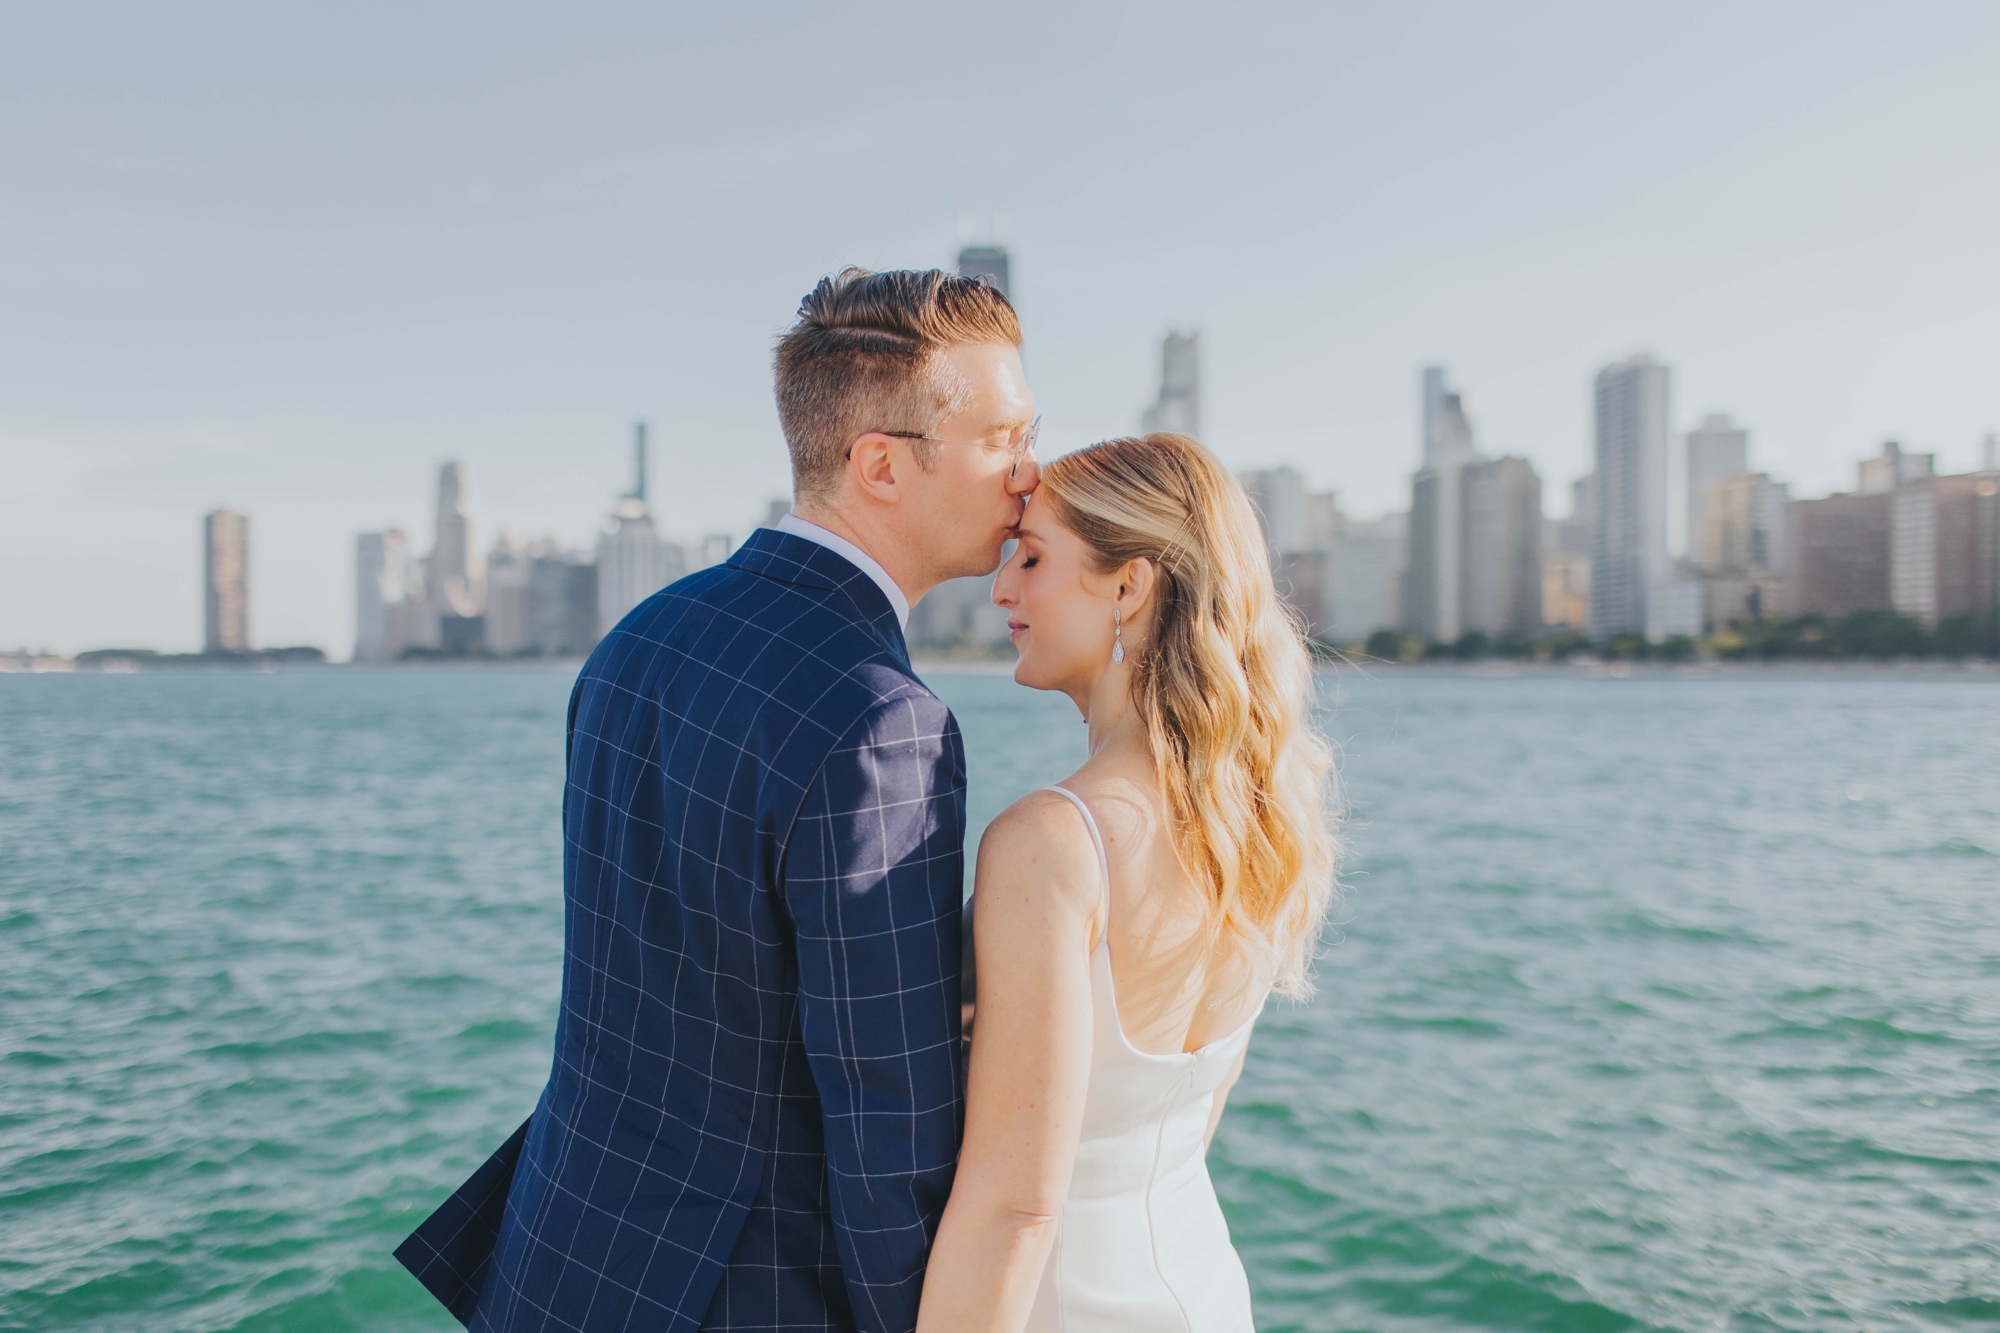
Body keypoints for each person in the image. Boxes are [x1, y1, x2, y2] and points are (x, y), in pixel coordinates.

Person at [396, 267, 1038, 1332]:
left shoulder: (635, 638)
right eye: (1000, 439)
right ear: (879, 463)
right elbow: (892, 1118)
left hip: (560, 1252)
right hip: (742, 1296)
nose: (1029, 474)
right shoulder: (881, 719)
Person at [916, 433, 1337, 1333]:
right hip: (1201, 1287)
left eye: (1032, 557)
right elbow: (1191, 1119)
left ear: (1130, 584)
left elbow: (1016, 1206)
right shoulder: (1255, 822)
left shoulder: (1052, 842)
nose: (1001, 588)